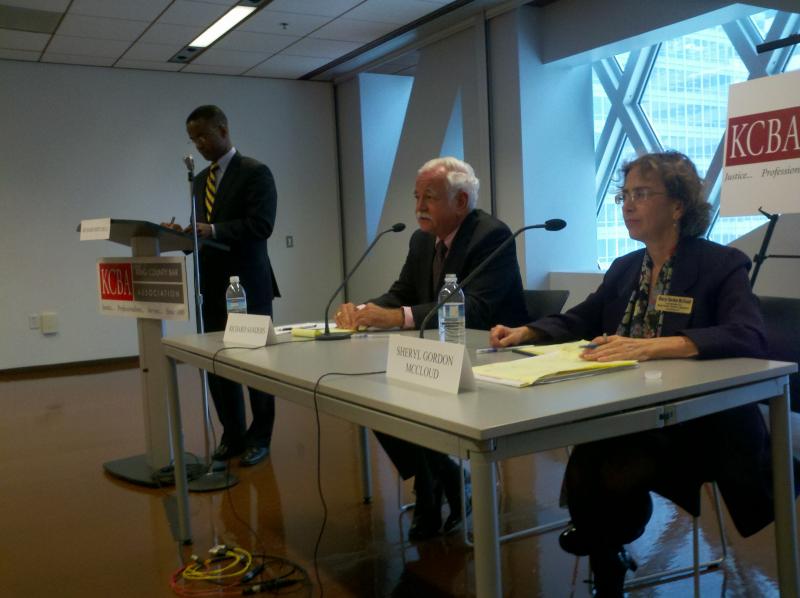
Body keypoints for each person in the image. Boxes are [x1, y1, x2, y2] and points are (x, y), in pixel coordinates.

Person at [490, 151, 785, 596]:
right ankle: (606, 554)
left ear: (678, 206)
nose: (627, 205)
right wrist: (527, 330)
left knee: (609, 468)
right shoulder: (627, 267)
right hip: (629, 409)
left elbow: (747, 335)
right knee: (591, 453)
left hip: (698, 421)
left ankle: (603, 544)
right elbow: (584, 317)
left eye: (641, 194)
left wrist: (651, 347)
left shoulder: (721, 265)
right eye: (623, 196)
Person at [335, 156, 528, 540]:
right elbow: (403, 292)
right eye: (416, 196)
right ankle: (439, 478)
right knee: (373, 392)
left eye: (430, 197)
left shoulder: (492, 235)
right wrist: (363, 310)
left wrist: (399, 317)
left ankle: (434, 486)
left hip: (491, 358)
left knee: (405, 394)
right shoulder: (422, 238)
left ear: (461, 201)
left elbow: (474, 307)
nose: (419, 207)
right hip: (440, 354)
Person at [164, 105, 279, 467]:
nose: (198, 144)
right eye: (193, 138)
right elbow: (202, 230)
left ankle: (260, 438)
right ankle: (232, 433)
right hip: (210, 285)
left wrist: (212, 230)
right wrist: (183, 236)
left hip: (248, 285)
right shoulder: (199, 181)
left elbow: (261, 225)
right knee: (217, 362)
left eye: (203, 136)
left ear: (223, 130)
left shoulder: (255, 172)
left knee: (254, 364)